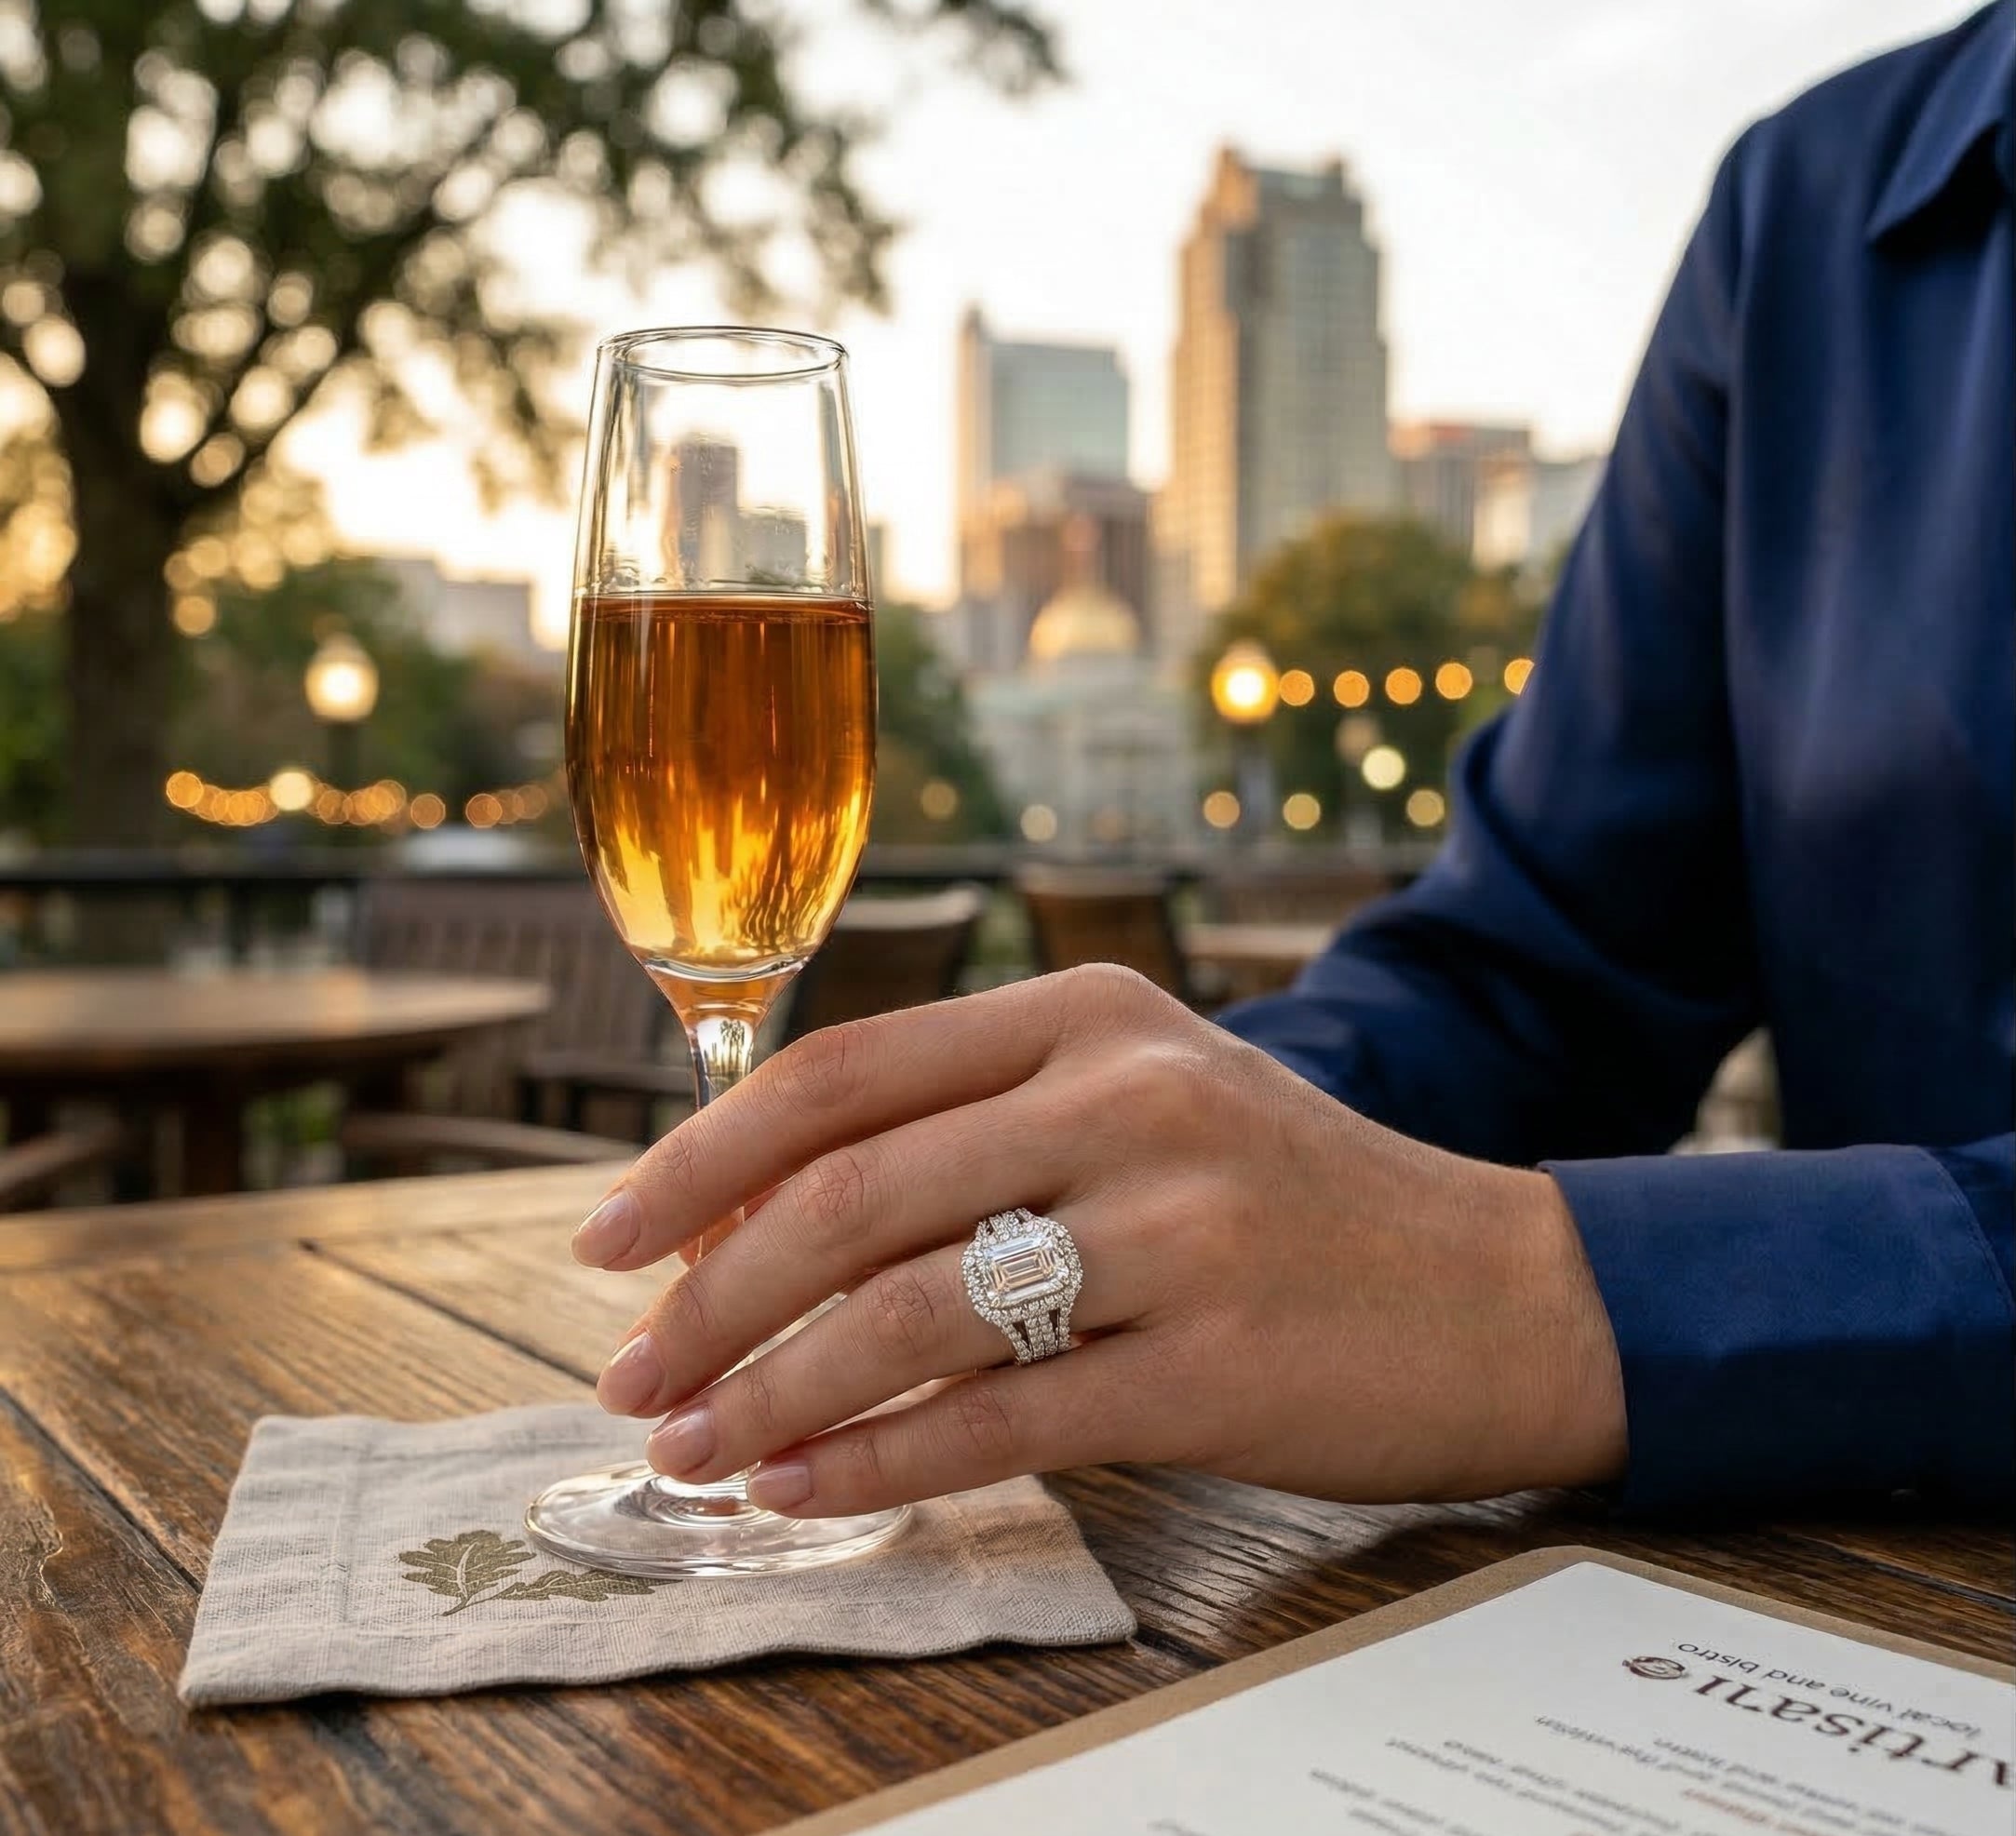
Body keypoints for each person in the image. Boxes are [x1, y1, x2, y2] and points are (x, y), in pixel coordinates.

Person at [571, 5, 2013, 1520]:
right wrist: (1172, 1154)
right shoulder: (1804, 210)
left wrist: (1540, 1296)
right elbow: (1547, 964)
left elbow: (1518, 1230)